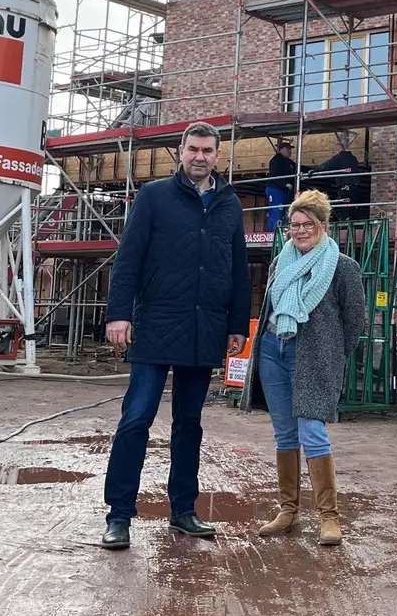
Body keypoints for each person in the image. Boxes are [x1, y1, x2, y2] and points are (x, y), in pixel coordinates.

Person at [97, 122, 251, 550]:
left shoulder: (229, 204)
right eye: (193, 149)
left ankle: (183, 511)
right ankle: (120, 516)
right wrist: (118, 315)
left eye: (208, 150)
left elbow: (238, 269)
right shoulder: (154, 197)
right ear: (180, 153)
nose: (200, 157)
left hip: (204, 330)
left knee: (189, 423)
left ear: (218, 156)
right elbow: (128, 258)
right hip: (156, 323)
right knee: (136, 419)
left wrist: (238, 325)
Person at [247, 190, 367, 546]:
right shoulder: (280, 262)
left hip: (313, 356)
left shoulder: (343, 266)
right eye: (294, 225)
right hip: (273, 349)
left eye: (307, 224)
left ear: (323, 225)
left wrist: (333, 357)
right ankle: (288, 510)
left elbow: (355, 320)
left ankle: (329, 517)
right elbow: (271, 304)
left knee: (312, 433)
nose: (300, 231)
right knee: (284, 434)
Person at [265, 138, 299, 234]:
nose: (290, 151)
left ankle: (281, 231)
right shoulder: (276, 160)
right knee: (277, 209)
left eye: (290, 149)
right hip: (276, 188)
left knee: (283, 211)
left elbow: (298, 167)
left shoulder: (288, 162)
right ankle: (273, 233)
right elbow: (275, 174)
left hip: (283, 190)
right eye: (287, 149)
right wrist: (284, 184)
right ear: (281, 150)